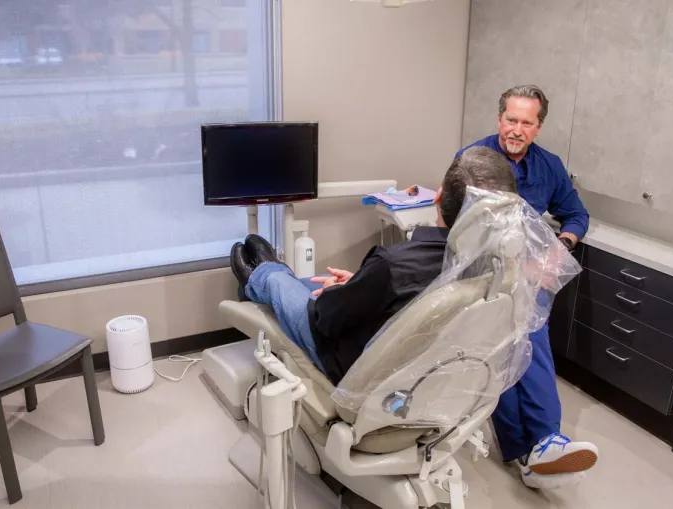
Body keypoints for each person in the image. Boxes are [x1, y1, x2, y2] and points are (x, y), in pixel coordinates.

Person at [230, 146, 593, 490]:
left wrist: (348, 291)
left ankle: (262, 276)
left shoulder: (395, 264)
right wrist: (360, 284)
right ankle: (272, 273)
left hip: (356, 375)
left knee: (290, 289)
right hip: (434, 386)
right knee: (324, 291)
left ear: (437, 200)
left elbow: (322, 319)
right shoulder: (498, 273)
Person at [455, 84, 597, 489]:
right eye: (511, 120)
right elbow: (454, 220)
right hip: (481, 270)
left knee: (524, 341)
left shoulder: (548, 166)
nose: (517, 129)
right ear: (500, 118)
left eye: (526, 123)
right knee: (511, 345)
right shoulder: (473, 160)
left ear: (538, 127)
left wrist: (559, 247)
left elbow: (576, 214)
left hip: (530, 270)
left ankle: (535, 447)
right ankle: (539, 445)